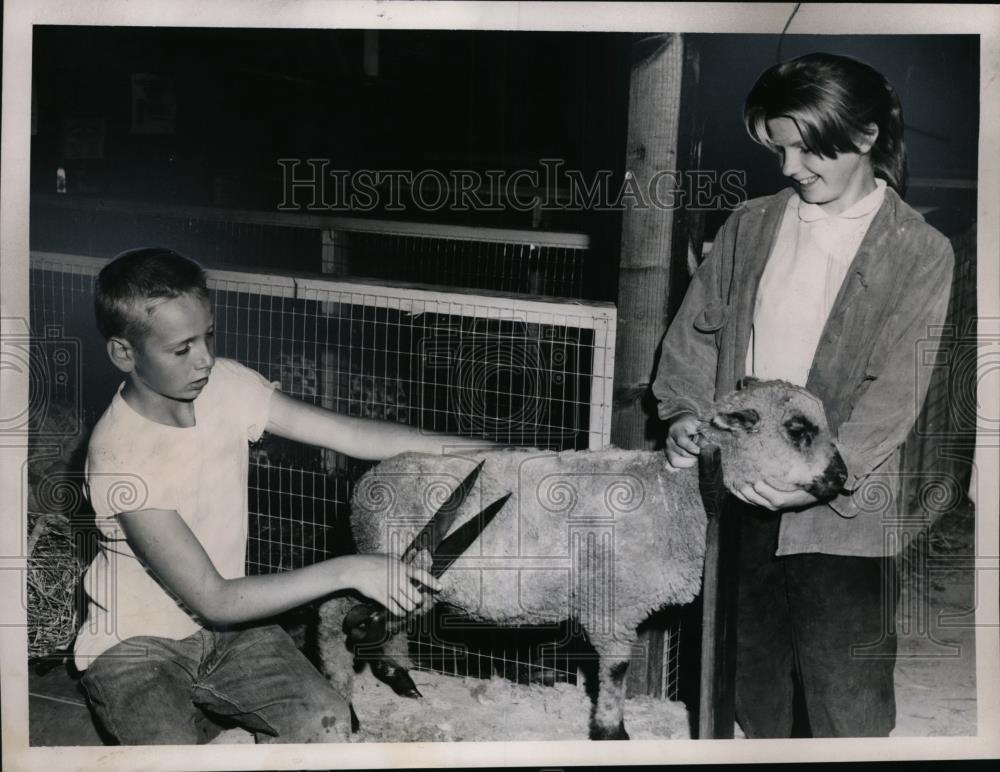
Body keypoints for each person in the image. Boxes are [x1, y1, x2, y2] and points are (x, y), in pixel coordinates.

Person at [653, 52, 954, 737]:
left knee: (846, 697)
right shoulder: (752, 223)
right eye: (778, 149)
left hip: (845, 514)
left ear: (867, 136)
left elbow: (896, 393)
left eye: (805, 149)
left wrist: (817, 483)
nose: (789, 169)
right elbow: (699, 335)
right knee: (751, 686)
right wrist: (687, 414)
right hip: (742, 495)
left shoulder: (919, 249)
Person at [73, 247, 488, 744]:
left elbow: (352, 435)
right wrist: (350, 568)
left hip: (230, 635)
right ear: (124, 353)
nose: (204, 358)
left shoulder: (225, 385)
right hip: (136, 644)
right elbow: (215, 598)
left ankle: (211, 710)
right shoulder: (121, 453)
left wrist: (483, 451)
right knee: (172, 757)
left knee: (328, 722)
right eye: (181, 349)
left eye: (208, 335)